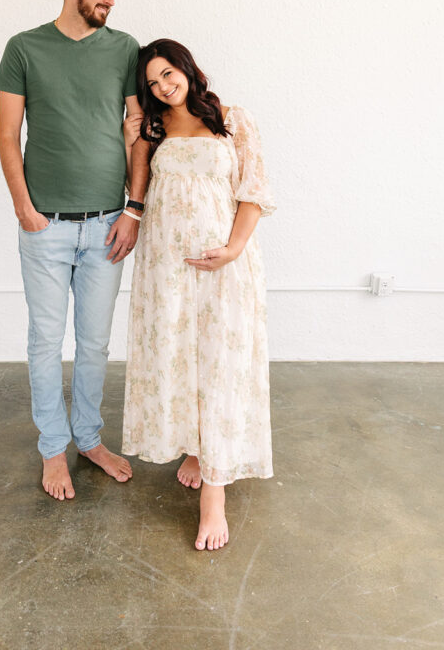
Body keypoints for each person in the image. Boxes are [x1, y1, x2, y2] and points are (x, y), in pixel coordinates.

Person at [0, 0, 144, 501]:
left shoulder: (124, 49)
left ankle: (89, 439)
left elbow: (137, 131)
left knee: (96, 344)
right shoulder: (24, 48)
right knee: (45, 341)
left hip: (107, 225)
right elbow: (7, 134)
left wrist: (133, 209)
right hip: (46, 226)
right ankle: (53, 448)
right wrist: (23, 208)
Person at [122, 38, 276, 551]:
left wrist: (232, 250)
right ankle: (194, 446)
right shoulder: (154, 129)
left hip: (223, 267)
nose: (164, 86)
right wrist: (130, 139)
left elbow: (253, 191)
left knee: (219, 364)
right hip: (166, 269)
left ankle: (215, 495)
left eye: (169, 73)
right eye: (153, 82)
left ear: (187, 68)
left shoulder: (232, 119)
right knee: (181, 359)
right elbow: (139, 188)